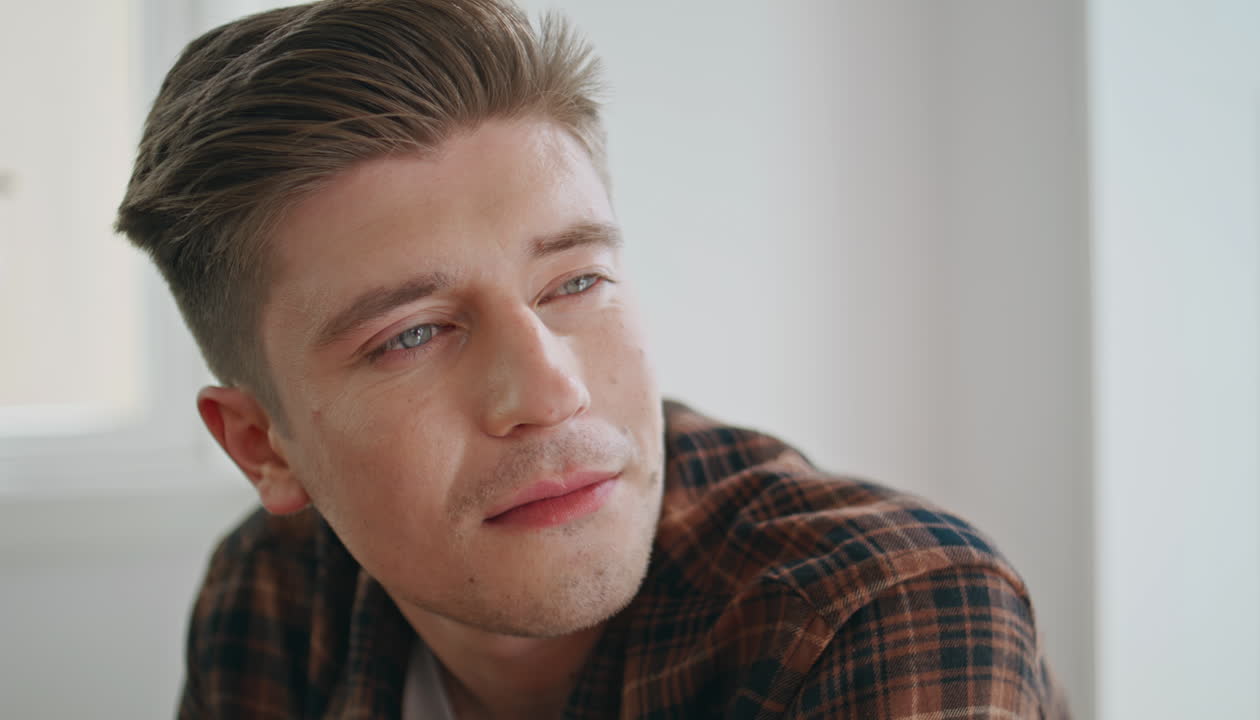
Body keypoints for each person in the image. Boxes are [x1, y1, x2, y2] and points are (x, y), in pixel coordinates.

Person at [116, 1, 1068, 717]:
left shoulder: (878, 609)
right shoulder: (275, 592)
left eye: (575, 282)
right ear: (261, 447)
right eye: (411, 334)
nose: (550, 390)